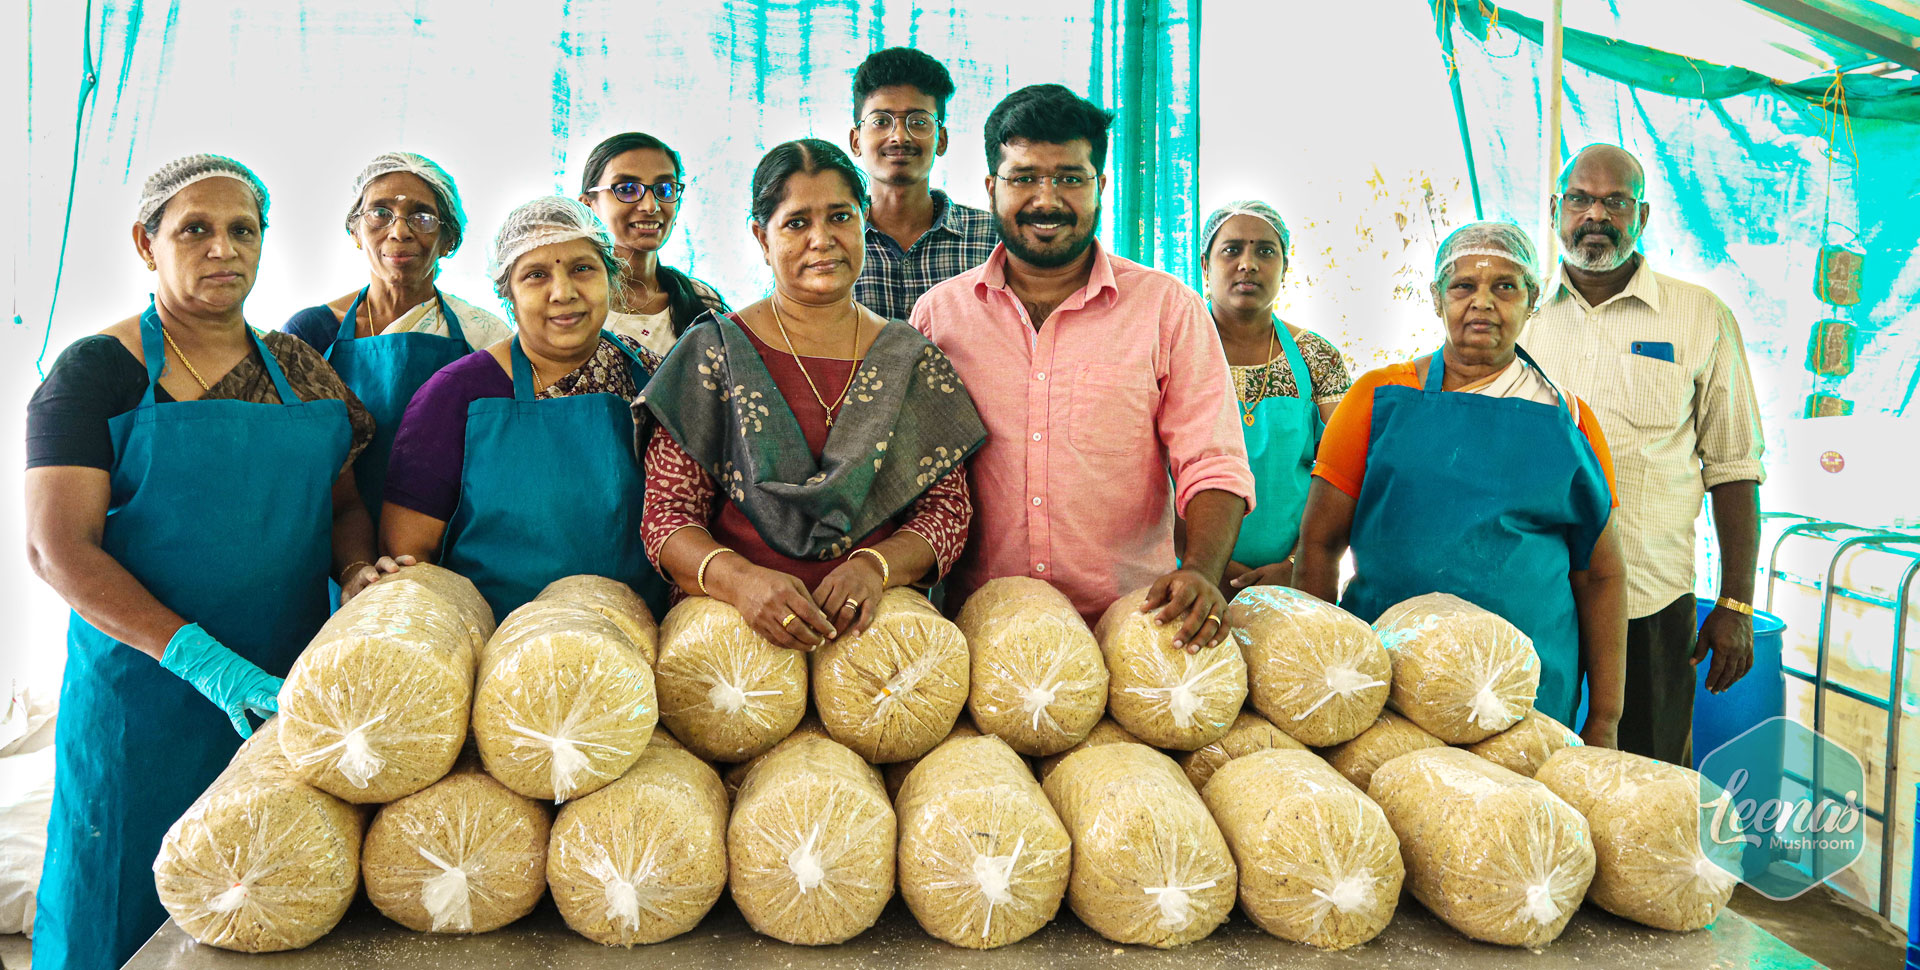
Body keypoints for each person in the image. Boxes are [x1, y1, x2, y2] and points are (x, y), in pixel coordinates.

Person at [24, 154, 405, 970]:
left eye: (243, 229)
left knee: (268, 901)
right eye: (194, 228)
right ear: (145, 242)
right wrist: (203, 662)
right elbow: (56, 549)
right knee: (119, 907)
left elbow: (342, 505)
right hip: (144, 701)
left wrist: (359, 571)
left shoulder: (301, 369)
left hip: (283, 699)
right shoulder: (99, 372)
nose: (222, 247)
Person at [912, 83, 1254, 650]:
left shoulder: (1167, 308)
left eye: (1070, 178)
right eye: (1024, 178)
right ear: (991, 188)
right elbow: (918, 480)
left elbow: (1212, 463)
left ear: (1100, 186)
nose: (1047, 199)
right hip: (981, 638)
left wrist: (1200, 571)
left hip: (1136, 634)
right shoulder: (940, 316)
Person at [642, 139, 984, 648]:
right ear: (761, 238)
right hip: (730, 642)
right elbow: (666, 515)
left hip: (873, 637)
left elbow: (947, 511)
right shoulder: (713, 353)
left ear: (863, 221)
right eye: (796, 223)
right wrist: (741, 582)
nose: (822, 240)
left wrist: (875, 566)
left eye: (840, 217)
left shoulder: (909, 360)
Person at [1294, 221, 1627, 743]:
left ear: (1532, 299)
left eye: (1505, 286)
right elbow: (1319, 542)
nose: (1483, 302)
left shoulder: (1570, 420)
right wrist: (1313, 671)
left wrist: (1605, 717)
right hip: (1386, 686)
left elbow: (1601, 577)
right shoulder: (1377, 398)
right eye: (1463, 286)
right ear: (1435, 298)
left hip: (1524, 699)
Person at [1525, 144, 1766, 765]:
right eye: (1579, 199)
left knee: (1647, 782)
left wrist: (1735, 602)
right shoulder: (1517, 315)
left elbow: (1735, 467)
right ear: (1556, 209)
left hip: (1651, 600)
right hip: (1534, 593)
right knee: (1525, 770)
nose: (1595, 215)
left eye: (1615, 201)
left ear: (1645, 213)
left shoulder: (1699, 316)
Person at [380, 197, 668, 621]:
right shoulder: (456, 395)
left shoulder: (652, 380)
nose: (563, 292)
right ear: (507, 294)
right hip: (500, 655)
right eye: (536, 275)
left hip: (638, 646)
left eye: (582, 268)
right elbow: (408, 556)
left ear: (611, 277)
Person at [283, 152, 512, 526]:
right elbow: (294, 460)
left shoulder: (483, 334)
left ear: (448, 240)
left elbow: (501, 457)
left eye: (422, 217)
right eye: (380, 213)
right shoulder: (312, 333)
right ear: (354, 231)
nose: (399, 231)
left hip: (449, 542)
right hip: (332, 544)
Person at [1197, 200, 1352, 594]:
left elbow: (1345, 475)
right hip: (1186, 575)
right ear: (1205, 265)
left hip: (1294, 583)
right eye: (1231, 250)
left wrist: (1298, 564)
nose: (1248, 263)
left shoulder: (1317, 357)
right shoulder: (1172, 349)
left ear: (1284, 269)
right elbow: (1144, 477)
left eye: (1266, 251)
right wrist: (1204, 564)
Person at [848, 47, 998, 322]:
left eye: (918, 122)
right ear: (856, 140)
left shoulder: (992, 240)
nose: (899, 137)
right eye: (881, 121)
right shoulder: (835, 238)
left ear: (941, 140)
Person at [578, 131, 729, 356]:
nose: (651, 206)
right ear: (588, 206)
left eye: (665, 189)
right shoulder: (571, 303)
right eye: (627, 189)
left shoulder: (700, 301)